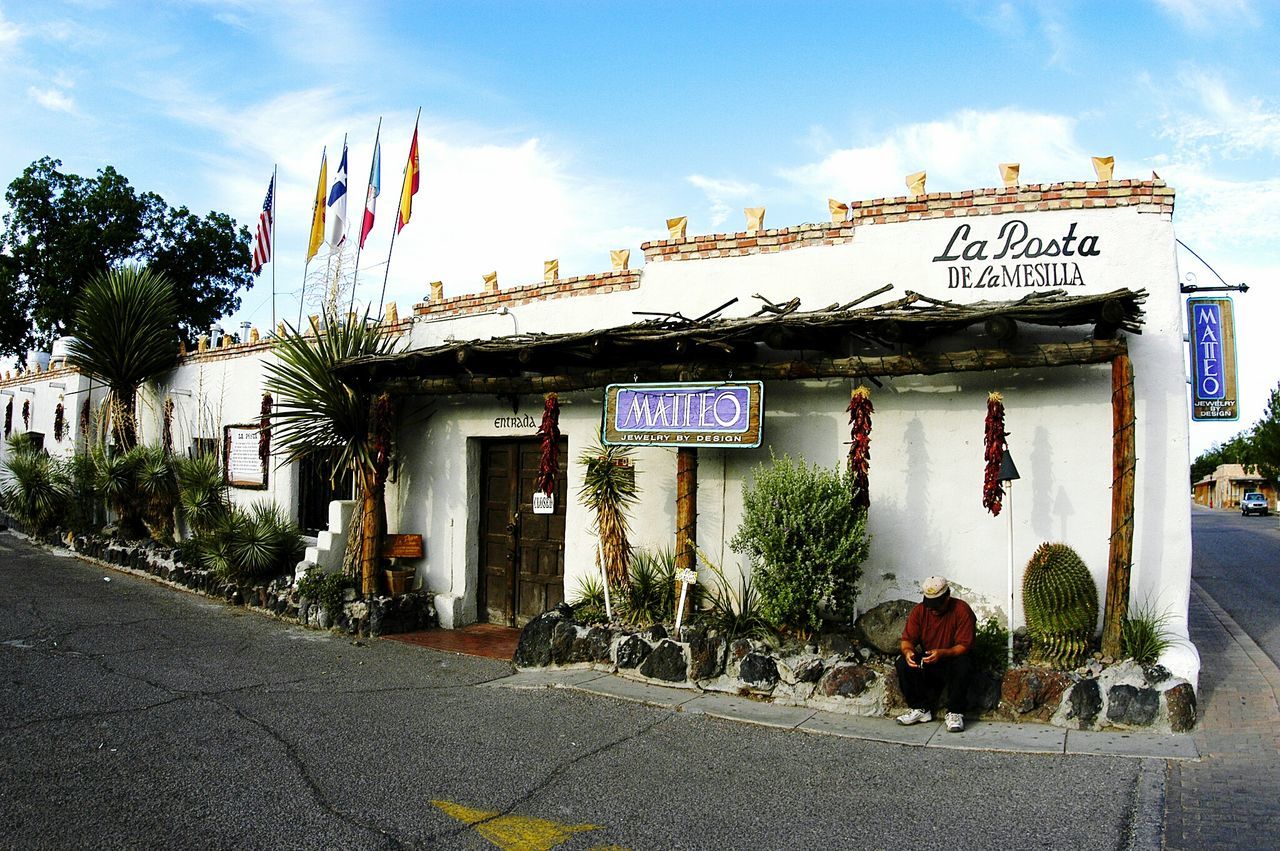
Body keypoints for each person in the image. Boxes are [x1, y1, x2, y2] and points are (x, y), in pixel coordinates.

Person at [894, 575, 976, 732]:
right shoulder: (920, 611)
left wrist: (943, 653)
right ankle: (920, 709)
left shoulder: (962, 610)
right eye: (930, 604)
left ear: (947, 598)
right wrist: (908, 652)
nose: (933, 609)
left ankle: (955, 712)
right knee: (902, 663)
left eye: (937, 605)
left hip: (952, 658)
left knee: (964, 663)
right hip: (930, 658)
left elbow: (965, 646)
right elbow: (906, 640)